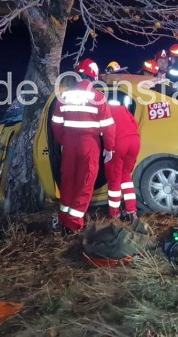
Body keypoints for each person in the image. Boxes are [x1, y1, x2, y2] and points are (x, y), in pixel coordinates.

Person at [50, 58, 116, 234]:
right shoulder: (98, 97)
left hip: (69, 143)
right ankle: (73, 224)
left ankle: (64, 218)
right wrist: (109, 148)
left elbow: (56, 124)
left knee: (68, 181)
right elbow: (108, 127)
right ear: (93, 77)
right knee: (85, 183)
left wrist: (64, 142)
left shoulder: (64, 96)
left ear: (78, 75)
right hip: (89, 144)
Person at [105, 93, 141, 222]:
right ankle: (131, 211)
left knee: (114, 179)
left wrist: (108, 149)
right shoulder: (121, 108)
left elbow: (107, 132)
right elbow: (134, 124)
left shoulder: (103, 112)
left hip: (119, 143)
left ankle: (114, 214)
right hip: (134, 141)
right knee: (125, 175)